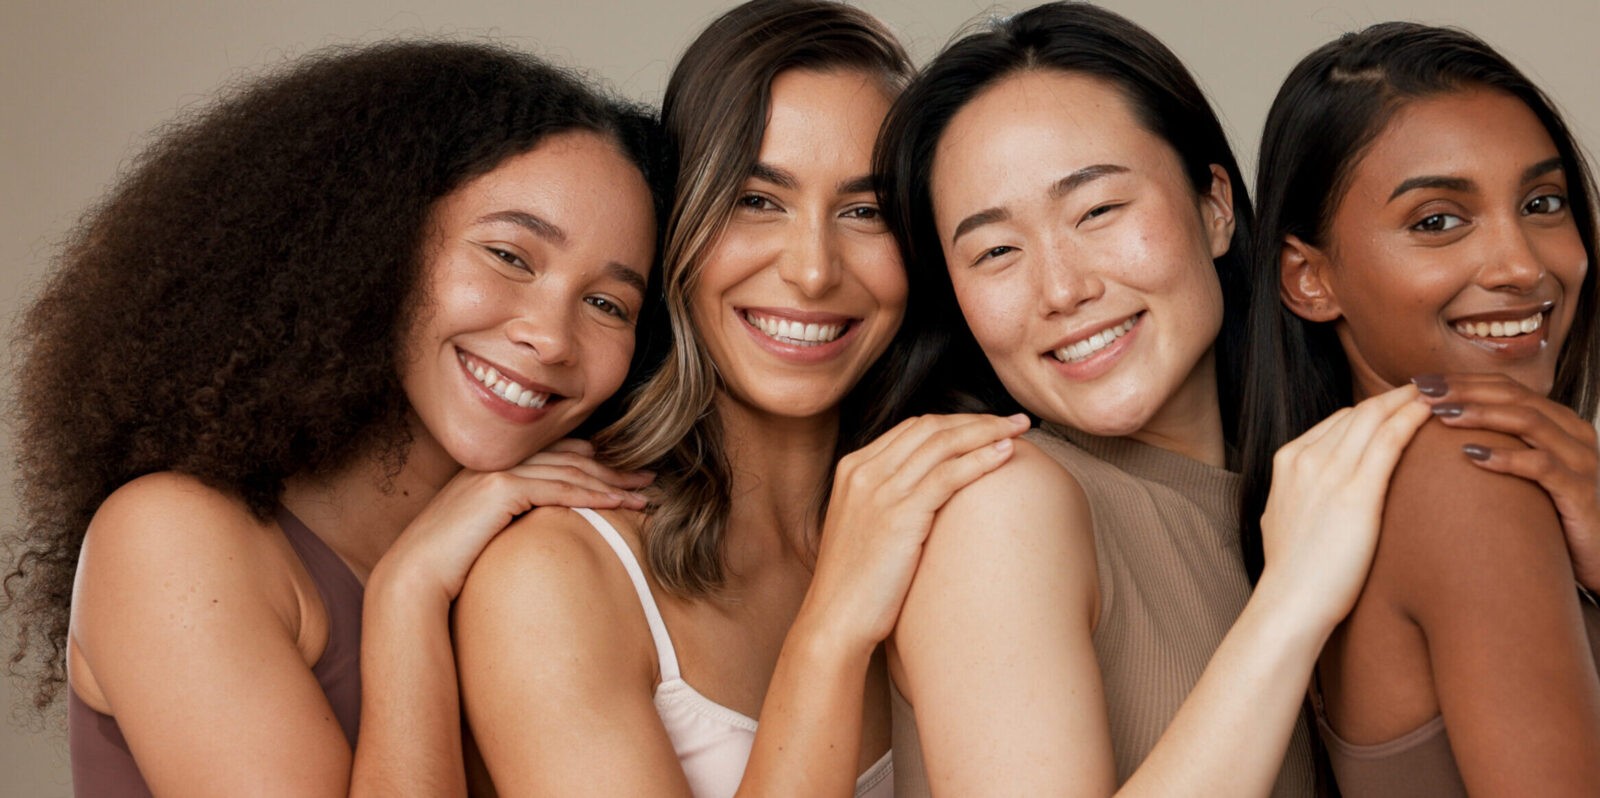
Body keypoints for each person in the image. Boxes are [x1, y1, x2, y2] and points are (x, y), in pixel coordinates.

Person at [3, 41, 670, 796]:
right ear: (379, 240)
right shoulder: (170, 538)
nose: (551, 338)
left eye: (608, 304)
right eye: (510, 257)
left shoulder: (542, 564)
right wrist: (407, 594)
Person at [453, 1, 1027, 795]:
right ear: (677, 222)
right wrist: (832, 629)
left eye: (865, 211)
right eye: (757, 200)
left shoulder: (970, 518)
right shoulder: (554, 575)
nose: (814, 270)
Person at [871, 4, 1441, 794]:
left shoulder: (1307, 492)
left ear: (1214, 207)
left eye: (1098, 210)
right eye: (996, 250)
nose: (1064, 289)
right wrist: (1292, 604)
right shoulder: (1001, 505)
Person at [1241, 22, 1600, 795]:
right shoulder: (1466, 474)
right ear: (1309, 279)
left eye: (1543, 202)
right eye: (1437, 220)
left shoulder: (1383, 486)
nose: (1521, 265)